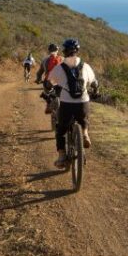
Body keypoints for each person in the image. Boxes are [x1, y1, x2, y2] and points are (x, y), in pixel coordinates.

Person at [47, 38, 98, 169]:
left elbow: (49, 83)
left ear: (64, 51)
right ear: (77, 51)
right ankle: (85, 133)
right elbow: (94, 83)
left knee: (60, 129)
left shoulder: (59, 67)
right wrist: (95, 91)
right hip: (83, 102)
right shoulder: (85, 66)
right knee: (84, 120)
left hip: (66, 103)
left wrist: (49, 89)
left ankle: (62, 155)